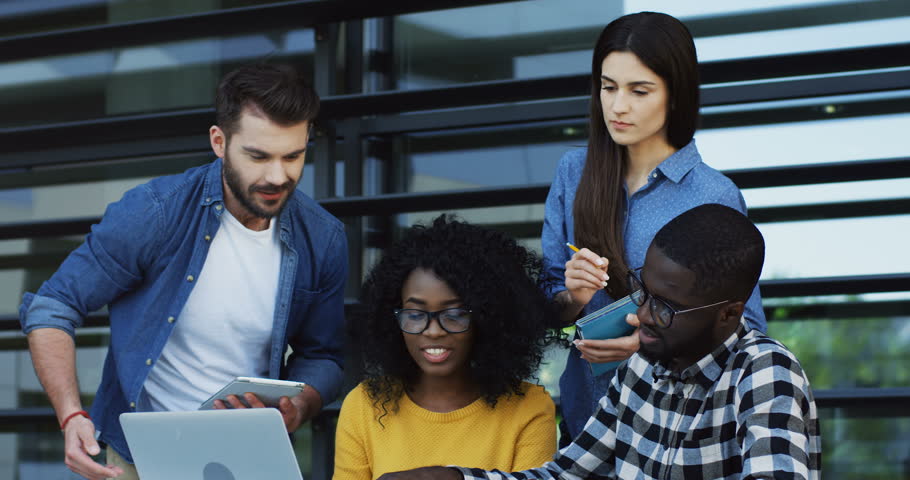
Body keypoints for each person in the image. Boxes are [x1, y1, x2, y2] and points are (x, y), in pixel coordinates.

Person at [18, 63, 348, 480]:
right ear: (219, 141)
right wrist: (71, 417)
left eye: (293, 156)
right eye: (258, 156)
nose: (276, 175)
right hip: (137, 459)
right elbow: (53, 306)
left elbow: (324, 355)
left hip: (244, 458)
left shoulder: (323, 238)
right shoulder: (154, 212)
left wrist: (301, 404)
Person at [378, 203, 821, 480]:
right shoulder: (640, 368)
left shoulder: (765, 373)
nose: (642, 315)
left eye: (666, 307)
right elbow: (567, 474)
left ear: (729, 312)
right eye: (642, 290)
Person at [541, 11, 767, 440]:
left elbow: (745, 329)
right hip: (586, 417)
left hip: (674, 427)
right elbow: (544, 305)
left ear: (676, 95)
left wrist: (648, 346)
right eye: (608, 87)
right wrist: (571, 296)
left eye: (639, 90)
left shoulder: (713, 194)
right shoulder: (574, 173)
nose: (617, 105)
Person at [333, 215, 560, 480]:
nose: (433, 330)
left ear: (487, 318)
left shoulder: (529, 408)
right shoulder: (364, 405)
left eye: (453, 314)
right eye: (416, 315)